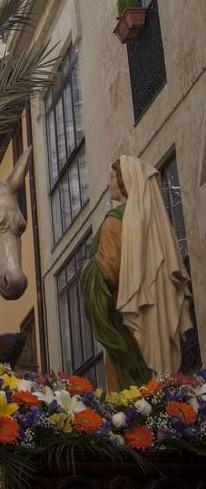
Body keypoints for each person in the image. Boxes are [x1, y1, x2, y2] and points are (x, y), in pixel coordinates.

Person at [81, 155, 192, 391]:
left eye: (112, 177)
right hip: (157, 318)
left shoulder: (114, 222)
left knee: (130, 391)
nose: (108, 183)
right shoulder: (155, 226)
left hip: (128, 320)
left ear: (125, 181)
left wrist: (87, 269)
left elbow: (109, 270)